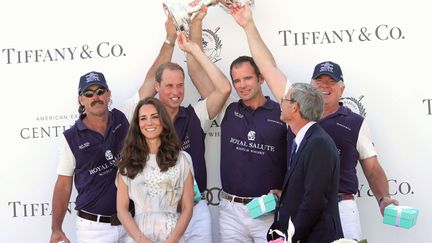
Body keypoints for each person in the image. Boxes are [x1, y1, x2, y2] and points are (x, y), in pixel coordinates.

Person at [187, 6, 287, 242]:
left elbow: (298, 158)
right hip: (230, 211)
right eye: (237, 80)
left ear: (261, 78)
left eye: (248, 78)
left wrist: (287, 192)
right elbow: (195, 71)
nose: (242, 85)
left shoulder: (284, 112)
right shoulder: (227, 108)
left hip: (268, 211)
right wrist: (197, 22)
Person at [139, 10, 232, 243]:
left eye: (180, 86)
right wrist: (169, 38)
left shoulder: (195, 115)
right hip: (160, 214)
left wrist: (193, 50)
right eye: (169, 86)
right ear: (157, 87)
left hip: (197, 211)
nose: (176, 92)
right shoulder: (145, 122)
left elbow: (224, 89)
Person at [49, 70, 147, 243]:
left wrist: (170, 42)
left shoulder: (122, 116)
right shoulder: (71, 138)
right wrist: (56, 228)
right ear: (81, 99)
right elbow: (64, 185)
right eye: (89, 93)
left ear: (108, 94)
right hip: (94, 230)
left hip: (132, 222)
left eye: (100, 91)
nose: (96, 97)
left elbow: (151, 82)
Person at [308, 61, 399, 240]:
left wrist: (383, 199)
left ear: (342, 89)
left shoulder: (355, 122)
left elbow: (372, 169)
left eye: (331, 81)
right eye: (319, 80)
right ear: (310, 86)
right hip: (304, 208)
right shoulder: (296, 116)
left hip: (342, 208)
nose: (324, 85)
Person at [268, 83, 343, 243]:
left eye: (285, 100)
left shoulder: (318, 143)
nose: (281, 104)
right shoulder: (307, 140)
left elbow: (314, 200)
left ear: (295, 107)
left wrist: (290, 238)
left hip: (315, 237)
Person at [116, 97, 194, 243]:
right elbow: (122, 210)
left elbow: (187, 207)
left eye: (154, 117)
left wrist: (173, 239)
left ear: (163, 120)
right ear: (138, 125)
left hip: (173, 236)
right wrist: (142, 240)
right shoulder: (127, 162)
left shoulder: (182, 159)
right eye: (143, 118)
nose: (149, 123)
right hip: (138, 237)